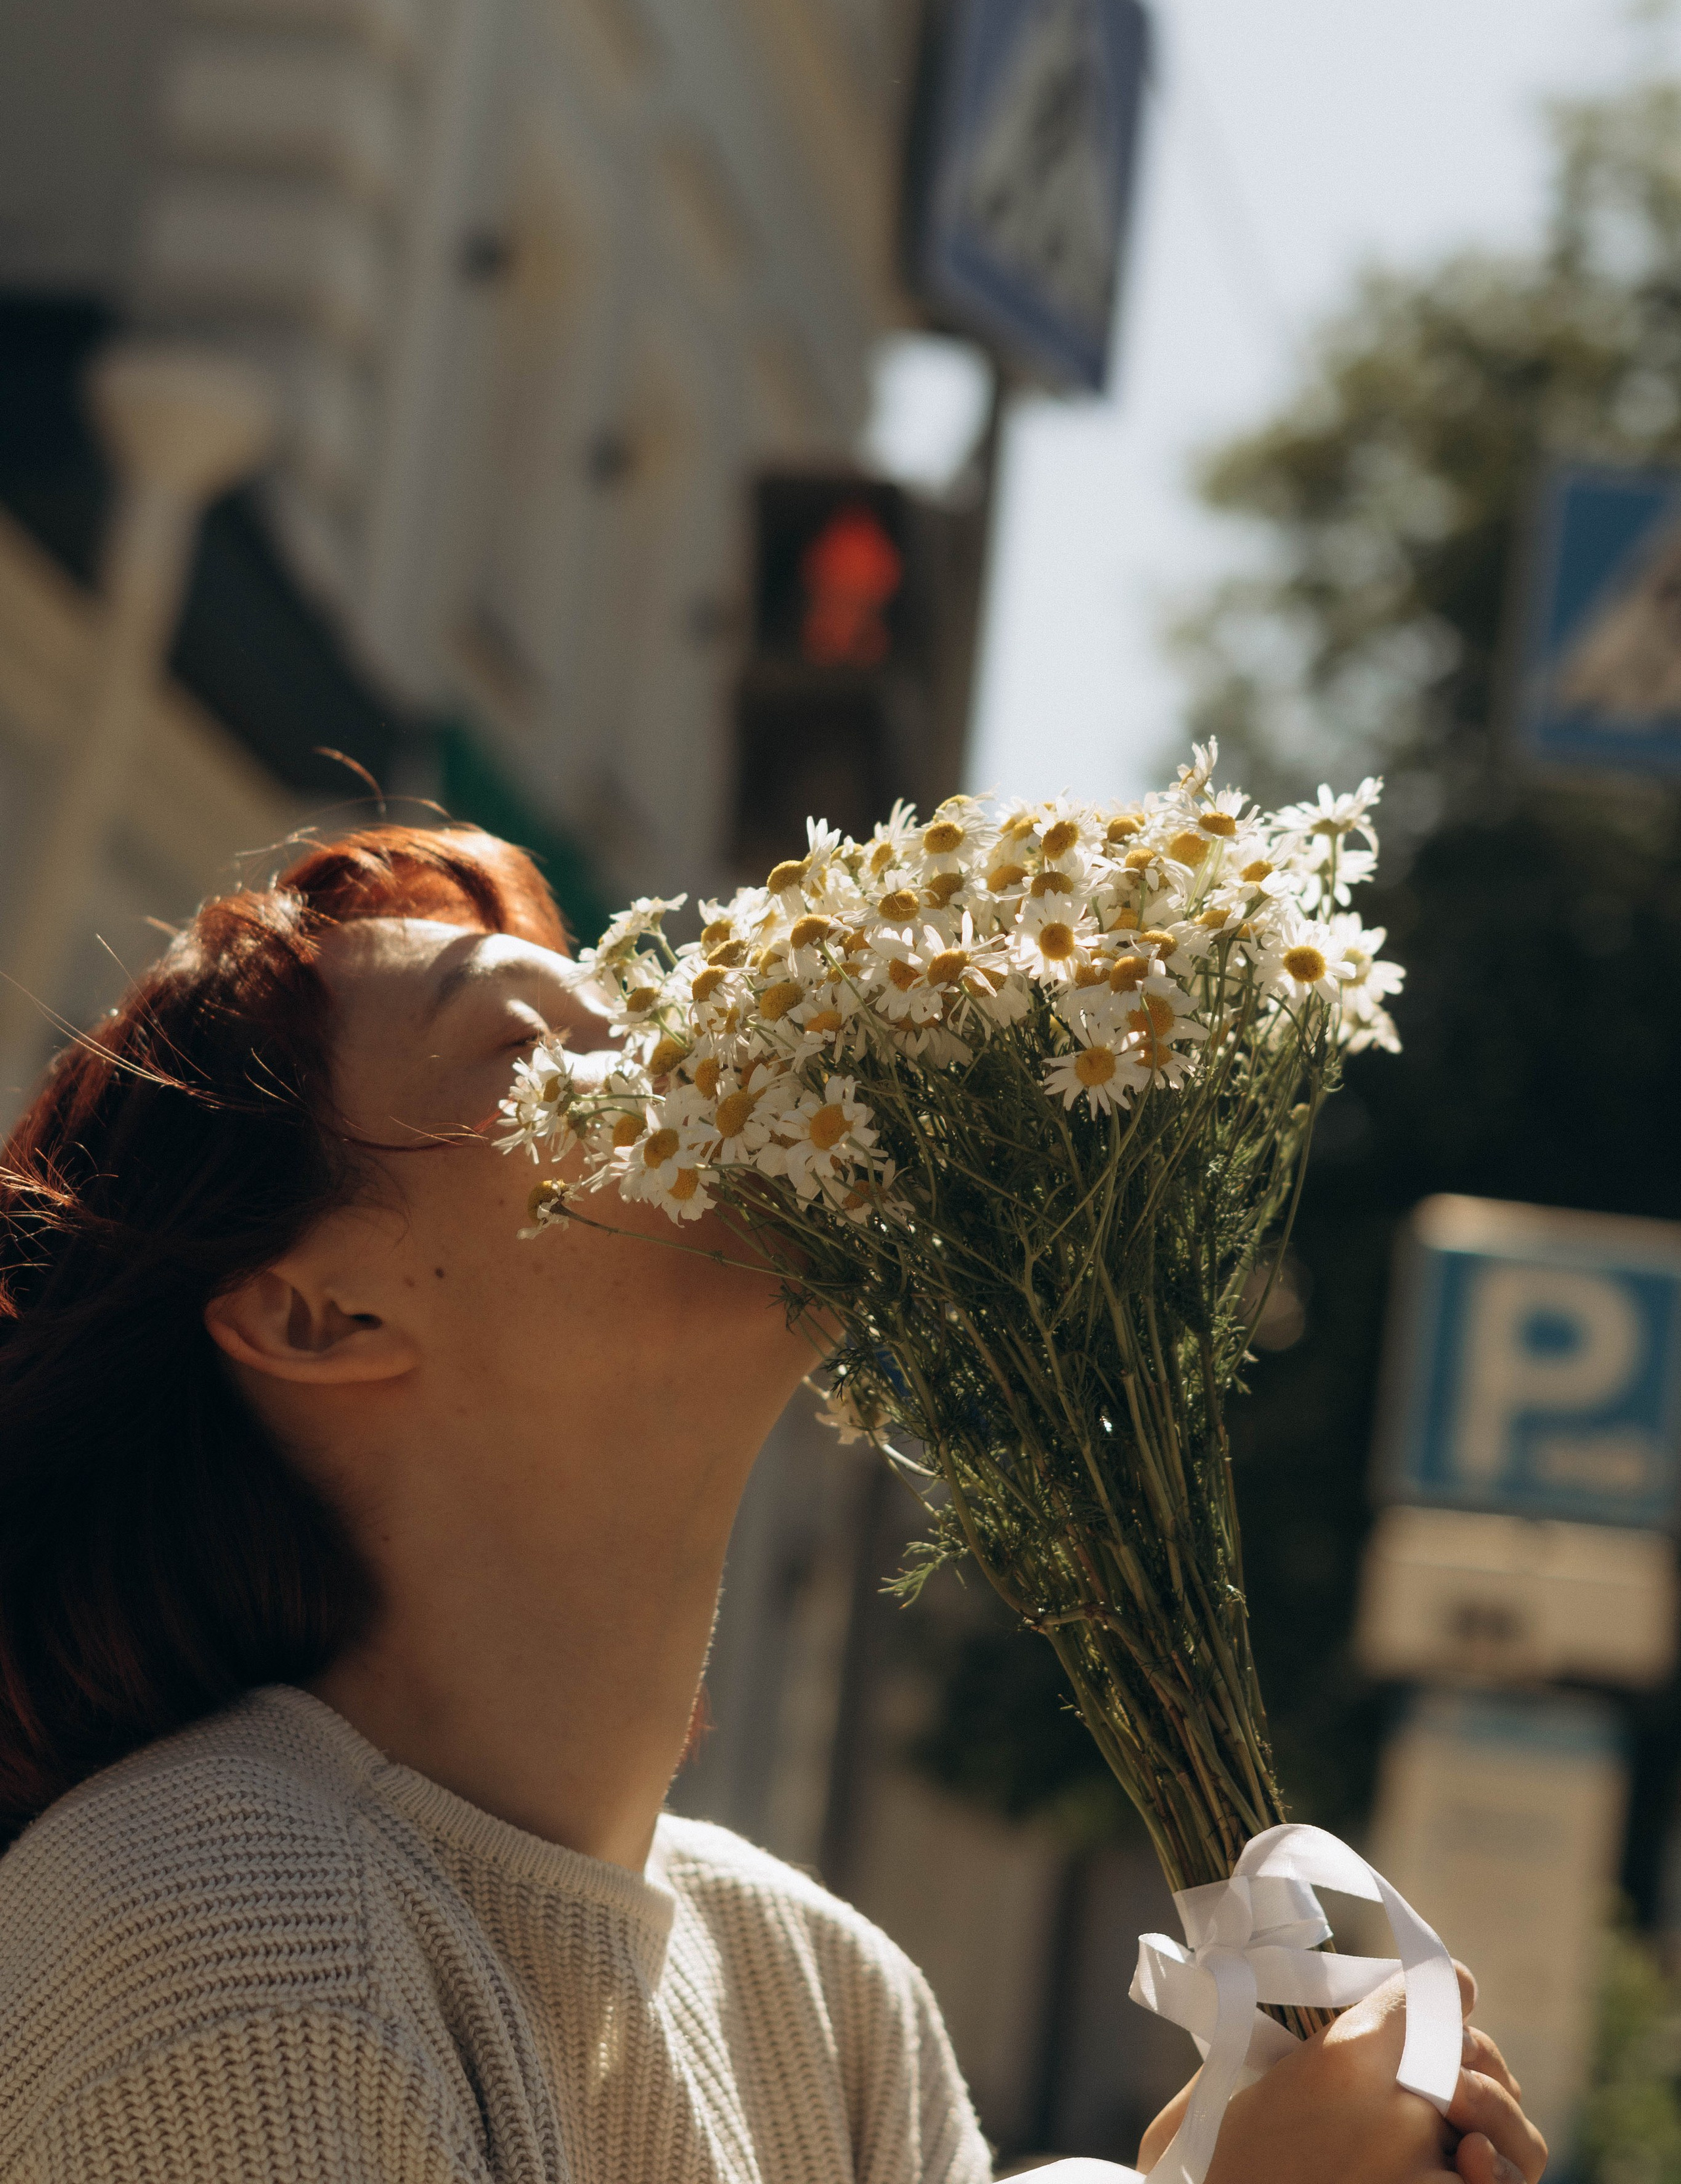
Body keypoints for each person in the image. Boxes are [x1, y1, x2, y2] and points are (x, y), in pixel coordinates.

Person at [0, 823, 1546, 2184]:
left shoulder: (817, 1990)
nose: (690, 1053)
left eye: (635, 999)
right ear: (315, 1315)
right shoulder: (219, 1931)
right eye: (532, 1044)